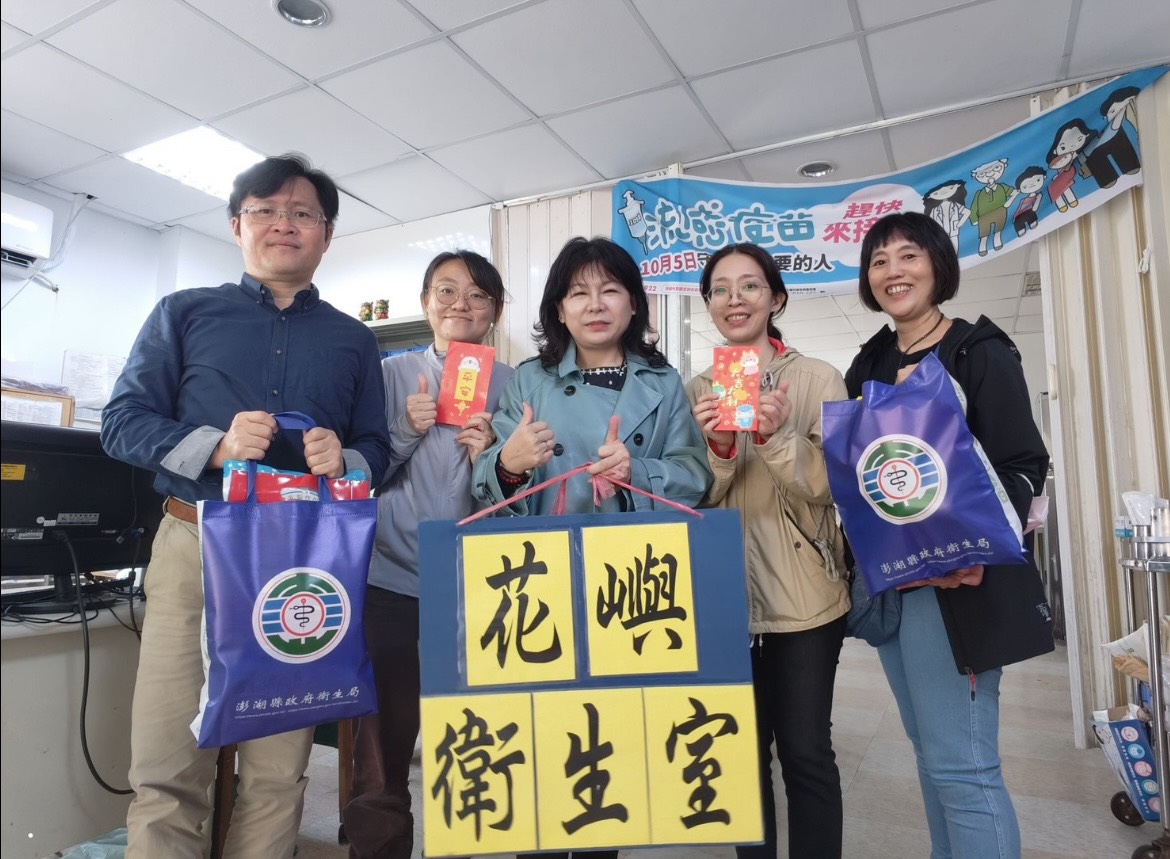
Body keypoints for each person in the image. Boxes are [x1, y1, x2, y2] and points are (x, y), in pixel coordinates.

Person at [100, 153, 392, 859]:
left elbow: (377, 448)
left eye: (303, 213)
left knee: (278, 770)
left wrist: (346, 460)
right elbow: (121, 423)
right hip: (193, 547)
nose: (283, 224)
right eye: (266, 210)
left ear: (326, 234)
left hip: (298, 562)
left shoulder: (355, 340)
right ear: (237, 225)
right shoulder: (184, 312)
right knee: (168, 763)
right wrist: (215, 447)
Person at [473, 236, 712, 859]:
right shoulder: (530, 380)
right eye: (578, 292)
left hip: (630, 585)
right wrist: (509, 464)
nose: (595, 304)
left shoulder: (664, 383)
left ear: (633, 304)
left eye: (610, 290)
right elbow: (488, 487)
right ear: (559, 308)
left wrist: (640, 472)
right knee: (542, 745)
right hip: (544, 587)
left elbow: (696, 475)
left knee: (606, 747)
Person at [843, 211, 1053, 859]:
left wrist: (971, 547)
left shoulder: (977, 350)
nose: (893, 271)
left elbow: (1023, 465)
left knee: (964, 766)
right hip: (895, 588)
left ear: (938, 264)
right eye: (879, 261)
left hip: (961, 586)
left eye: (908, 255)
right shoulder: (869, 361)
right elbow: (857, 471)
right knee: (932, 753)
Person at [342, 250, 513, 859]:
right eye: (446, 291)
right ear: (425, 303)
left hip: (480, 584)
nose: (461, 304)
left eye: (477, 294)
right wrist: (403, 432)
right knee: (383, 741)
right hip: (390, 575)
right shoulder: (389, 374)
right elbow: (358, 475)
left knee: (476, 734)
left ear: (494, 311)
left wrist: (494, 459)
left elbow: (521, 496)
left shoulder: (515, 384)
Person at [685, 243, 850, 859]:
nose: (735, 300)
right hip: (722, 600)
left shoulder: (818, 379)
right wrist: (720, 449)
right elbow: (689, 498)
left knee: (806, 752)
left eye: (750, 286)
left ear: (776, 298)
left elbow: (834, 486)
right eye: (720, 289)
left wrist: (776, 438)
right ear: (708, 304)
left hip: (806, 597)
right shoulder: (696, 391)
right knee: (740, 755)